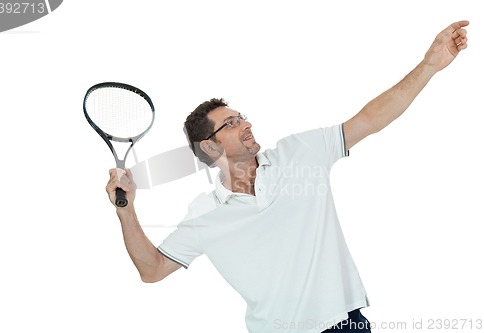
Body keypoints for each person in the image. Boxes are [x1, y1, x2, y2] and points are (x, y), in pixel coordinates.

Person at [105, 21, 469, 333]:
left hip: (344, 325)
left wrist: (429, 64)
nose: (245, 123)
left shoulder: (299, 153)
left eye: (242, 116)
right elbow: (151, 270)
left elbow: (371, 119)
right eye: (230, 124)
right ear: (210, 148)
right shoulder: (204, 215)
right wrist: (126, 209)